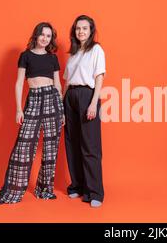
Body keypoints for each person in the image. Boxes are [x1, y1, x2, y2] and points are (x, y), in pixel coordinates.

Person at [0, 22, 65, 205]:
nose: (45, 38)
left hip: (52, 99)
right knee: (24, 146)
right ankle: (14, 191)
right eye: (42, 34)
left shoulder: (52, 58)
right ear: (36, 35)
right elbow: (19, 83)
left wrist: (62, 110)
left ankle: (44, 190)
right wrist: (19, 108)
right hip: (34, 98)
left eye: (48, 36)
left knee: (51, 147)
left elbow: (57, 84)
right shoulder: (25, 56)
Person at [63, 15, 106, 208]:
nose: (81, 31)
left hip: (87, 96)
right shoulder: (73, 53)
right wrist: (61, 105)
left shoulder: (96, 50)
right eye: (78, 28)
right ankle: (77, 186)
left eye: (85, 28)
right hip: (70, 96)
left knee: (90, 145)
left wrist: (93, 103)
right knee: (72, 143)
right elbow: (66, 81)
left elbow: (99, 77)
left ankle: (94, 191)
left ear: (91, 31)